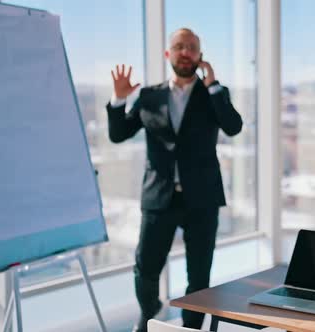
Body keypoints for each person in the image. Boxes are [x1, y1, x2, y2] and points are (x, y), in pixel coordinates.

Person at [106, 28, 242, 331]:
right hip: (159, 196)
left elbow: (233, 127)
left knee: (199, 273)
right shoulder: (149, 96)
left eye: (192, 47)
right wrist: (118, 98)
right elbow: (118, 135)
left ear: (200, 56)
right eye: (179, 46)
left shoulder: (214, 94)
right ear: (168, 54)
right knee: (146, 267)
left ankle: (191, 328)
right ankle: (149, 313)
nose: (185, 52)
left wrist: (214, 85)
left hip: (202, 198)